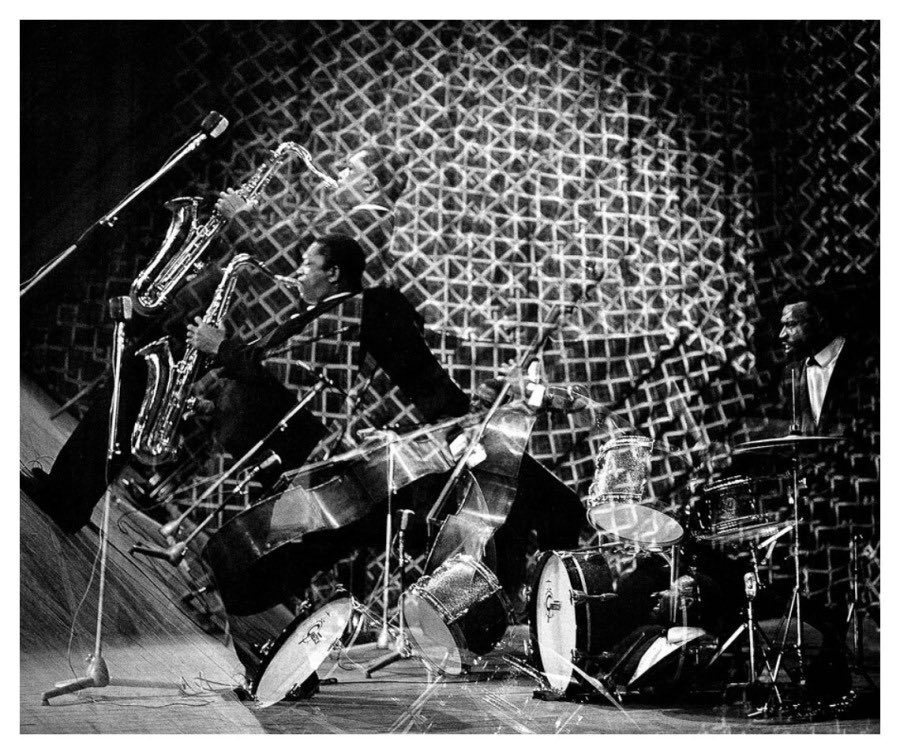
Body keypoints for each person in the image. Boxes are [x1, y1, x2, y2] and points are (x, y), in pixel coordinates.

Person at [777, 293, 857, 436]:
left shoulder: (864, 364)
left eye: (790, 324)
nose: (782, 335)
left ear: (821, 322)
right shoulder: (790, 373)